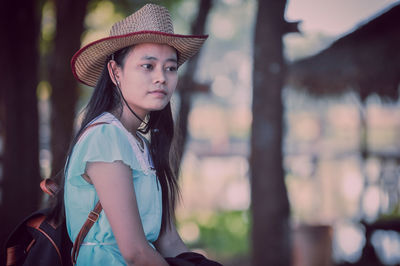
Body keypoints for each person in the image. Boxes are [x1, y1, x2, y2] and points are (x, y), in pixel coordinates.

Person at [53, 3, 214, 265]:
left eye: (170, 68)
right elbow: (135, 252)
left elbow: (169, 240)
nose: (162, 77)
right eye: (148, 66)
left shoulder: (140, 144)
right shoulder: (105, 138)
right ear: (116, 72)